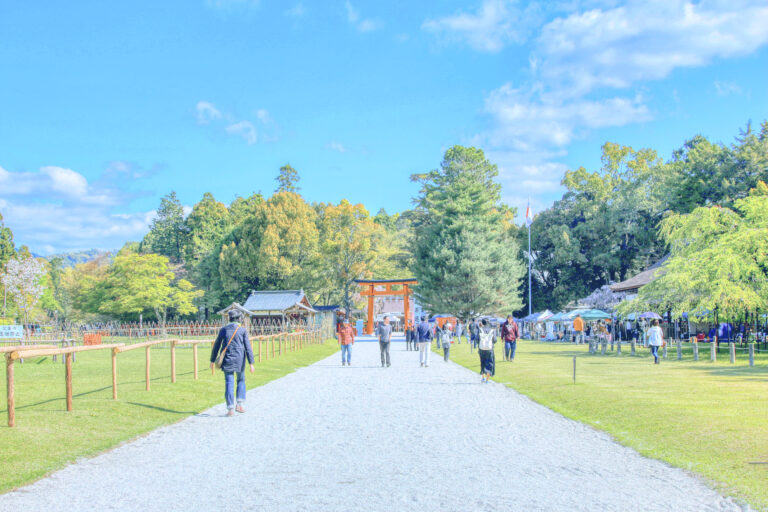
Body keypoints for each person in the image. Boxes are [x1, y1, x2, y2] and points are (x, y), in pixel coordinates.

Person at [210, 310, 255, 417]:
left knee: (229, 383)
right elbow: (248, 347)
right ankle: (239, 404)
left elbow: (217, 345)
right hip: (240, 359)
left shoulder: (224, 330)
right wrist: (251, 363)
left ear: (229, 319)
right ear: (239, 319)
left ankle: (230, 408)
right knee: (241, 380)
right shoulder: (242, 330)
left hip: (227, 359)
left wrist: (212, 360)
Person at [478, 319, 496, 383]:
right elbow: (495, 340)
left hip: (481, 348)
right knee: (489, 363)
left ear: (482, 323)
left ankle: (483, 377)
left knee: (482, 362)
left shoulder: (480, 329)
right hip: (489, 348)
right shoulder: (492, 330)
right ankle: (487, 379)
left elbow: (478, 339)